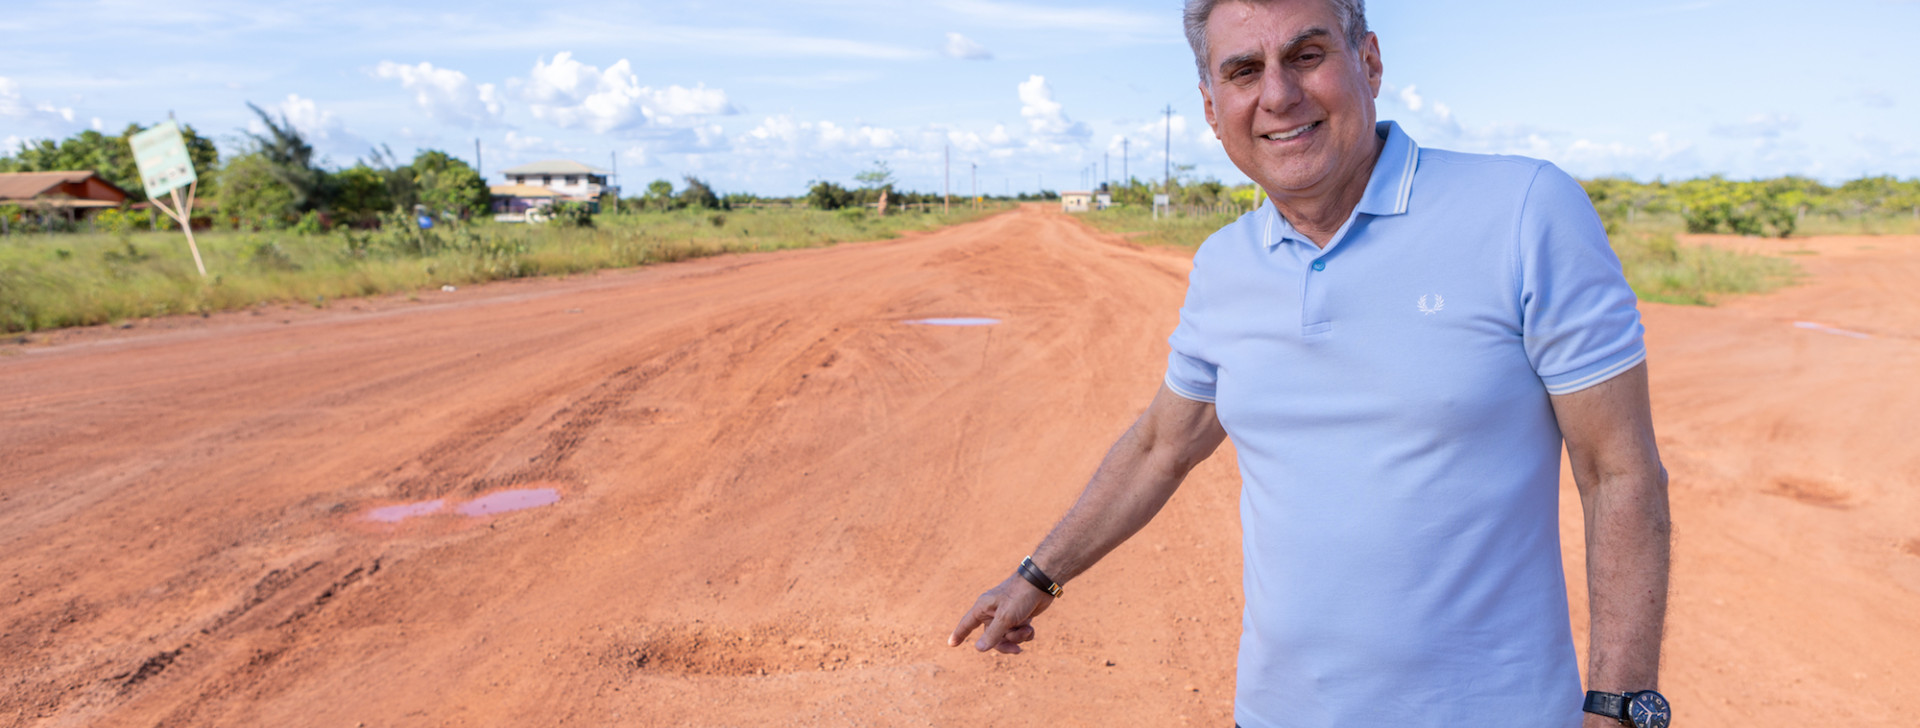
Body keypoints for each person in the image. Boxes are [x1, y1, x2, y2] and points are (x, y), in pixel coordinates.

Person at [946, 1, 1673, 726]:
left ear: (1369, 62)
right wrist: (1037, 576)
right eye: (1243, 70)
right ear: (1212, 108)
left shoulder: (1523, 211)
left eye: (1306, 55)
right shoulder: (1226, 266)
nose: (1278, 94)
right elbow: (1161, 447)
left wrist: (1620, 705)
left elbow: (1618, 470)